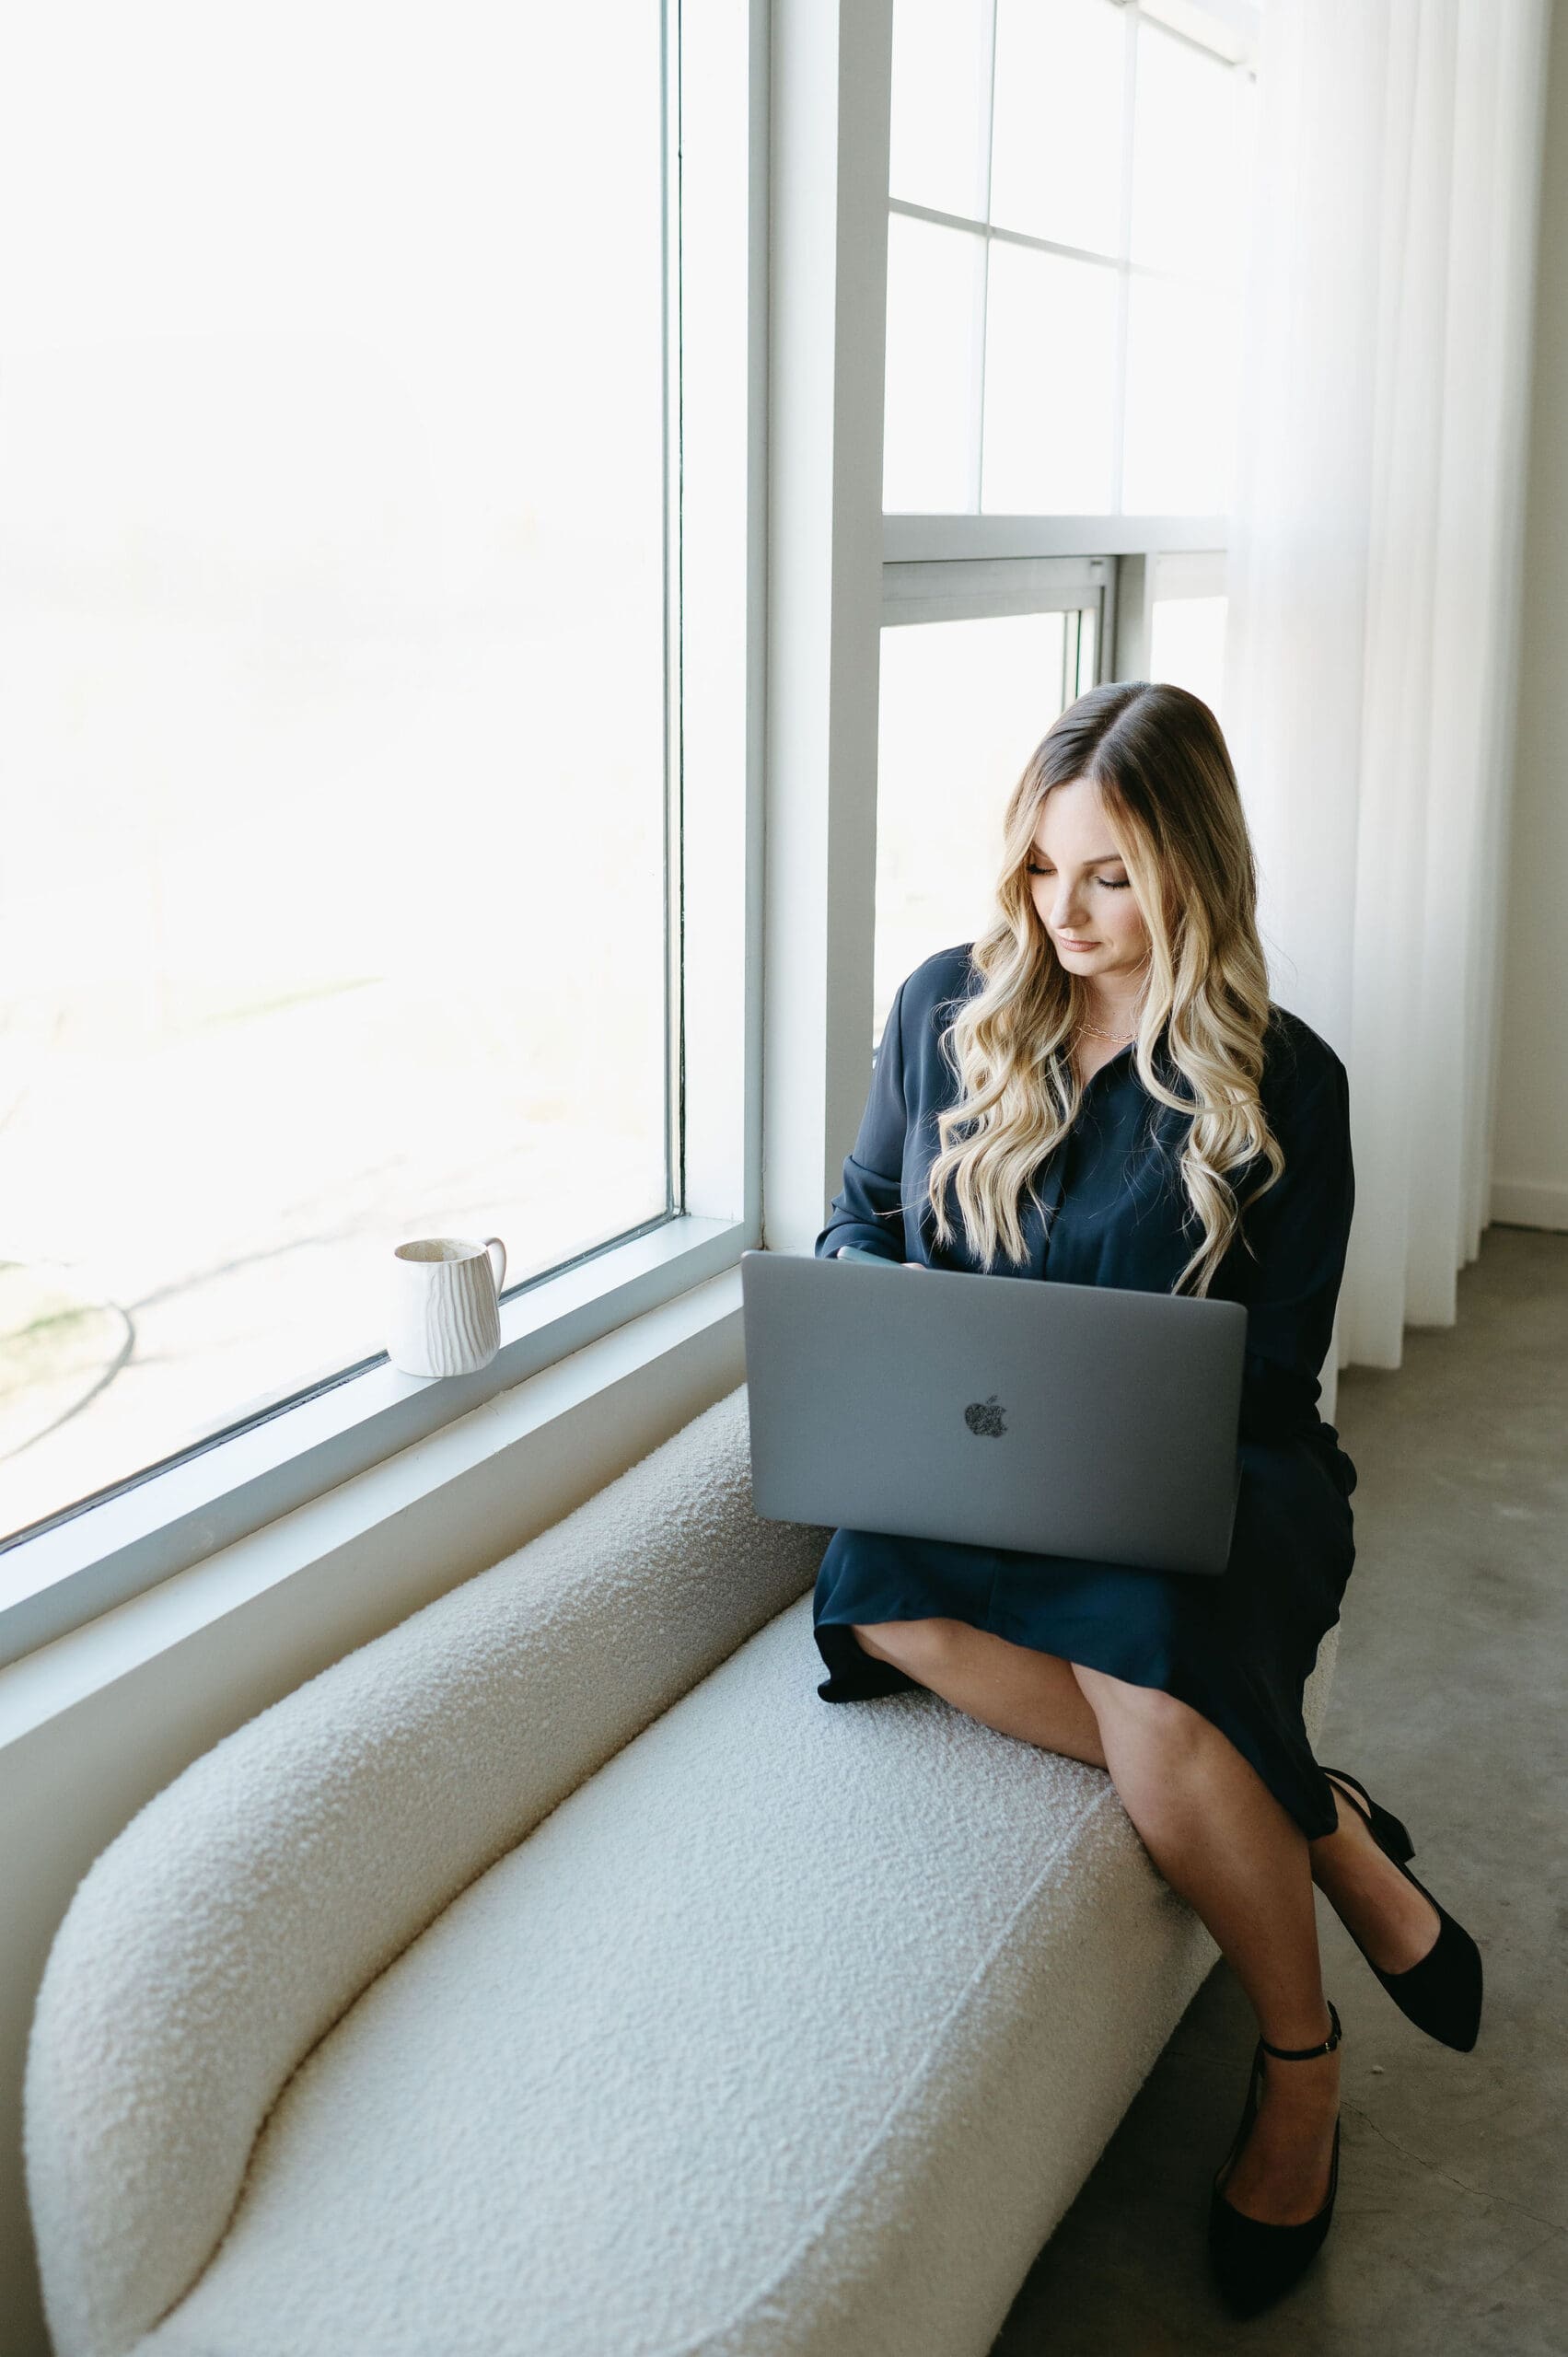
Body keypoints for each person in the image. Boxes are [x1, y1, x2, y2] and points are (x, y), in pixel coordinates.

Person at [812, 679, 1482, 2316]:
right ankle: (1321, 1822)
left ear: (1191, 866)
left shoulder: (1284, 1082)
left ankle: (1300, 2063)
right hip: (982, 1457)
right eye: (1044, 872)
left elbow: (1271, 1375)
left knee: (1148, 1649)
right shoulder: (944, 1009)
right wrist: (887, 1321)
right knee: (874, 1589)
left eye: (1110, 875)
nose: (1069, 914)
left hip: (1204, 1471)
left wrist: (1109, 1434)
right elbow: (859, 1223)